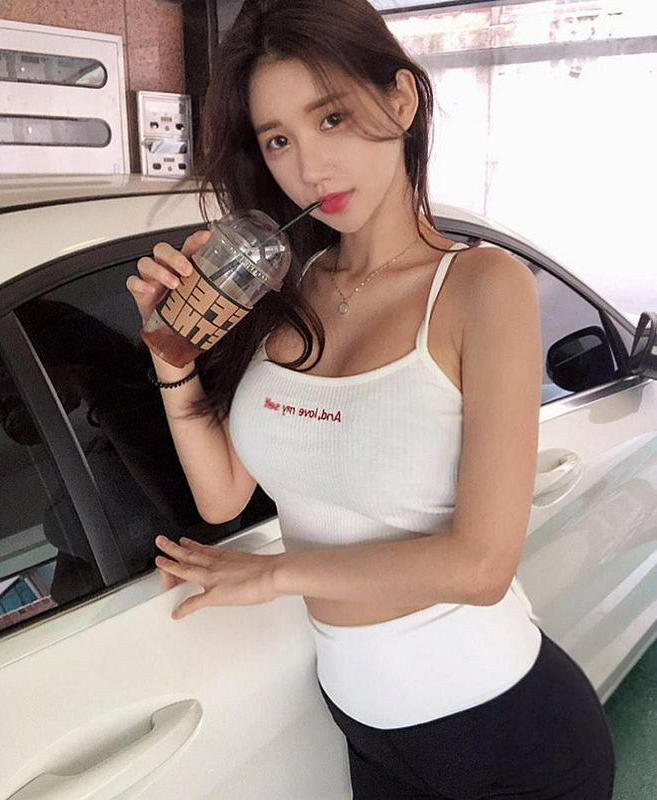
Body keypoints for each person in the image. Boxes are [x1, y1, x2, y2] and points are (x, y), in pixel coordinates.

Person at [126, 1, 616, 797]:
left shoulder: (480, 287)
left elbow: (480, 566)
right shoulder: (287, 284)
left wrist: (274, 576)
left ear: (400, 99)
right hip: (362, 723)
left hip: (502, 733)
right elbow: (224, 497)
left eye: (331, 118)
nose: (309, 168)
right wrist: (171, 355)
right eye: (277, 140)